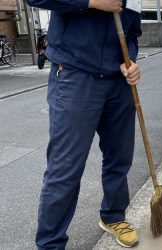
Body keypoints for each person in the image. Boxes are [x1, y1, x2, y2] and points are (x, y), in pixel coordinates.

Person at [25, 0, 142, 248]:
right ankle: (50, 244)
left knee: (120, 157)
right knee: (65, 166)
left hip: (119, 82)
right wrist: (93, 2)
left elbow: (132, 31)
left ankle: (113, 216)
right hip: (75, 74)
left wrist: (129, 59)